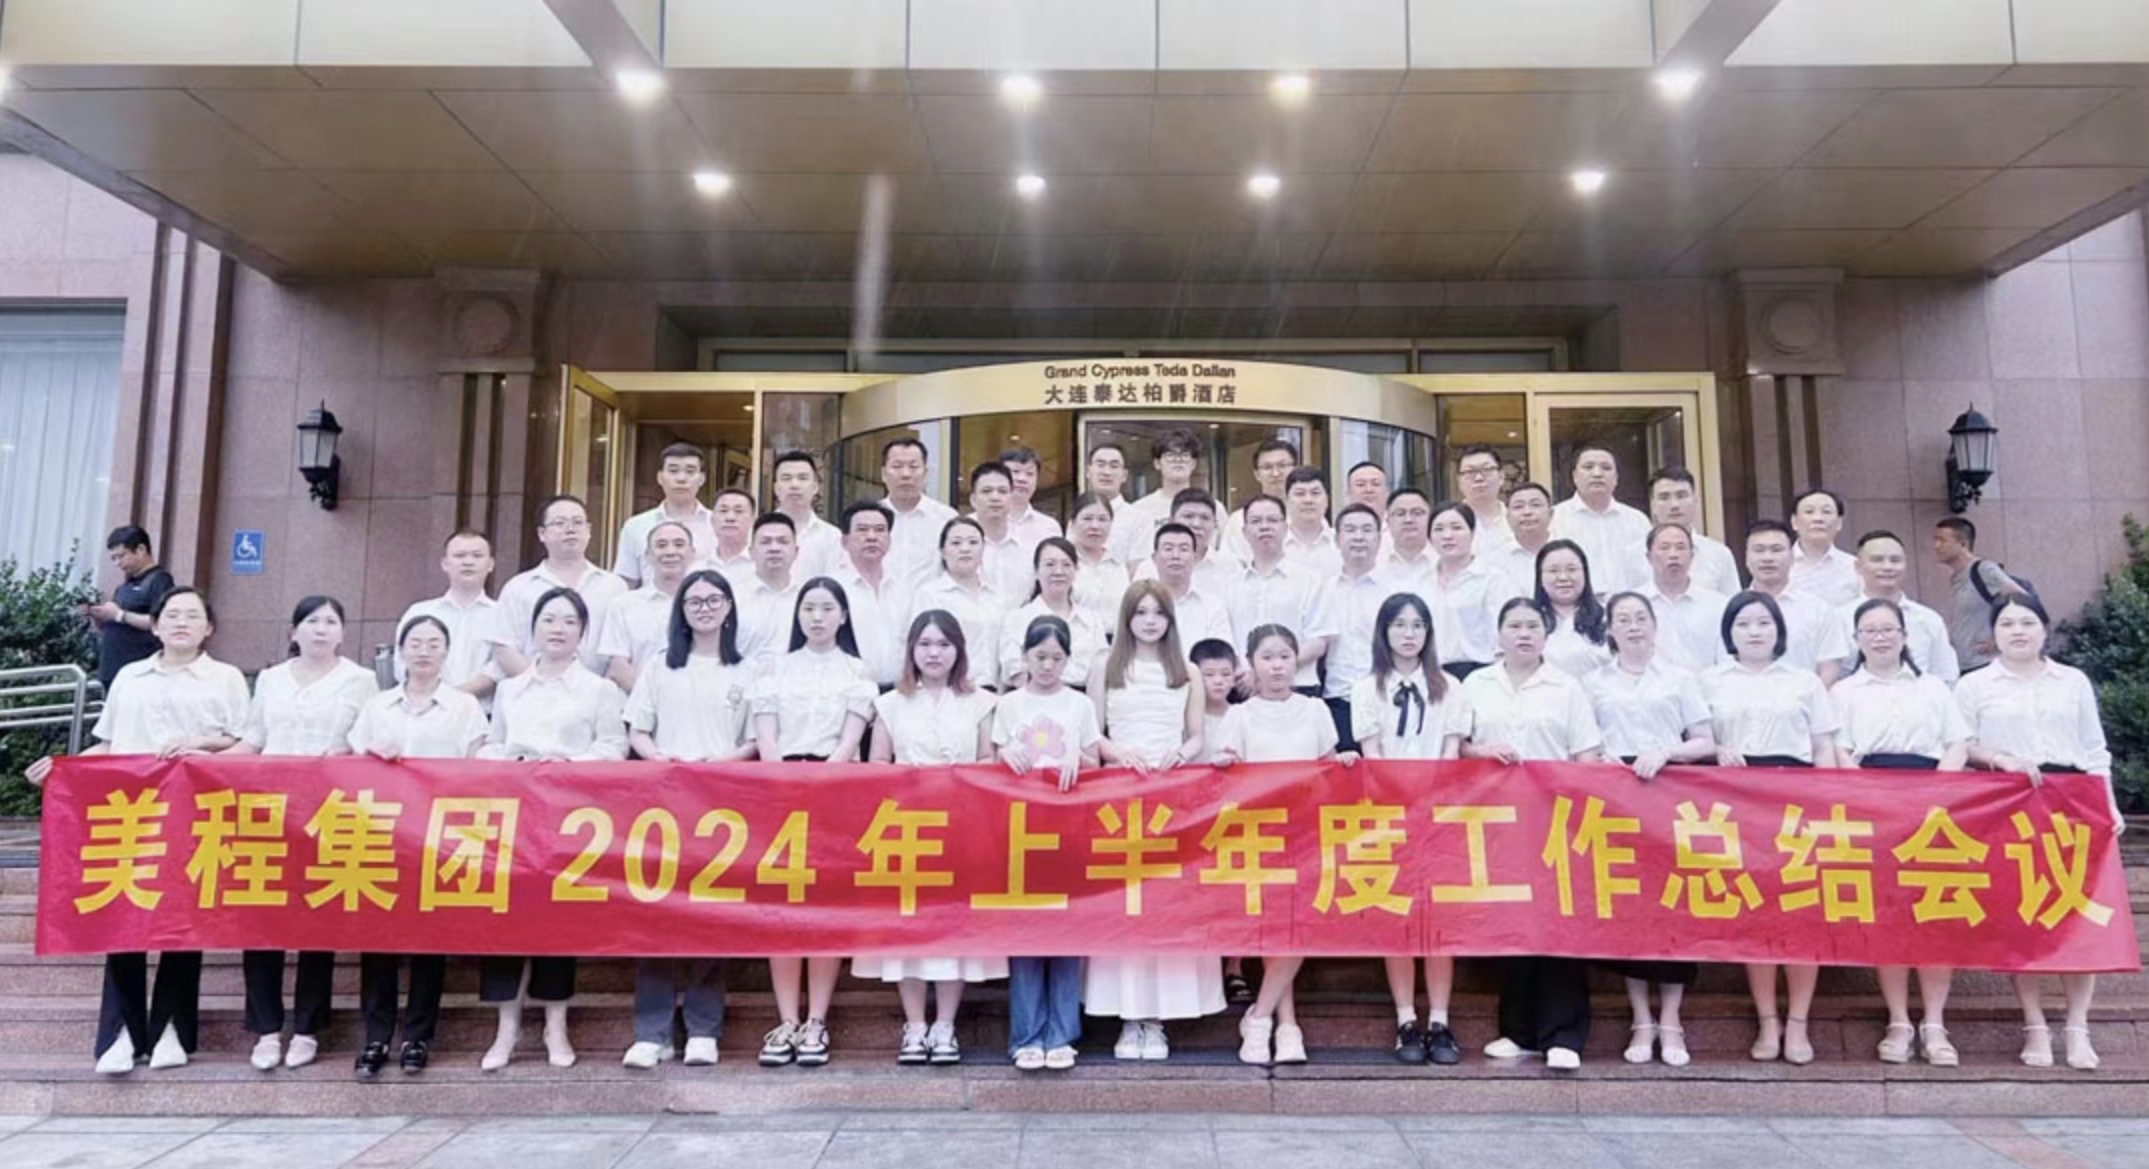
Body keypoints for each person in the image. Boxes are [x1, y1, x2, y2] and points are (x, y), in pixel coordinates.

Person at [27, 587, 245, 1075]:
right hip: (133, 813)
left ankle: (171, 1030)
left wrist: (200, 744)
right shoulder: (130, 677)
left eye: (193, 616)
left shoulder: (226, 678)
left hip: (194, 814)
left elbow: (244, 742)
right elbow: (109, 745)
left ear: (209, 628)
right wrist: (62, 768)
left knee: (181, 920)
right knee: (124, 914)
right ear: (157, 625)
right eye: (172, 615)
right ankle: (120, 1032)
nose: (182, 622)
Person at [1955, 594, 2123, 1071]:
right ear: (1993, 635)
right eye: (2007, 624)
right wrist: (1999, 759)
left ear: (2045, 630)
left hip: (2073, 798)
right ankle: (2034, 1024)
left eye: (2027, 622)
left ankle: (2077, 1026)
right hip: (2009, 801)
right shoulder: (1974, 685)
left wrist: (2108, 805)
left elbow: (2094, 749)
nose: (2018, 631)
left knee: (2078, 913)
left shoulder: (2072, 682)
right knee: (2022, 914)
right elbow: (1962, 743)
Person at [222, 594, 380, 1073]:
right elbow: (253, 740)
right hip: (269, 811)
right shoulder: (271, 679)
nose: (320, 629)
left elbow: (365, 743)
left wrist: (347, 757)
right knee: (262, 919)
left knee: (317, 919)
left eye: (330, 621)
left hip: (328, 811)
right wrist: (200, 762)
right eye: (311, 621)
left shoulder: (361, 680)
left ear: (342, 632)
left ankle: (308, 1028)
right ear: (294, 631)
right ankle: (267, 1029)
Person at [477, 586, 627, 1070]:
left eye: (568, 622)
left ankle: (555, 1026)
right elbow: (492, 744)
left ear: (583, 633)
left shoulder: (599, 691)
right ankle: (506, 1028)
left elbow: (613, 748)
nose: (558, 629)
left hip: (571, 819)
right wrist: (509, 761)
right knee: (505, 920)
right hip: (514, 819)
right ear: (534, 628)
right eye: (549, 620)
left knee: (557, 922)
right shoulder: (510, 689)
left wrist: (569, 764)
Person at [1461, 597, 1606, 1070]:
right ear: (1499, 634)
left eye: (1532, 626)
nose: (1523, 634)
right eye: (1514, 626)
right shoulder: (1477, 684)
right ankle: (1517, 1030)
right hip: (1495, 820)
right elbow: (1457, 746)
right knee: (1512, 922)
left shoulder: (1566, 687)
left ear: (1546, 635)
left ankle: (1563, 1034)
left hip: (1553, 818)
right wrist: (1483, 751)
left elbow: (1586, 756)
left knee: (1558, 922)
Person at [621, 570, 757, 1071]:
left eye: (714, 600)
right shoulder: (660, 666)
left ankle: (703, 1028)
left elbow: (754, 739)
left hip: (723, 807)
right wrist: (660, 758)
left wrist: (721, 763)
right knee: (655, 914)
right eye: (694, 601)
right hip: (664, 804)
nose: (704, 608)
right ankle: (651, 1032)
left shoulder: (747, 670)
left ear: (729, 607)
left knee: (710, 917)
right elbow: (638, 730)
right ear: (680, 609)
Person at [1829, 596, 1970, 1068]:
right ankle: (1898, 1020)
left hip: (1932, 807)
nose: (1880, 637)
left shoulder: (1933, 689)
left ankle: (1935, 1022)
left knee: (1934, 913)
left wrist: (1936, 794)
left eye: (1888, 629)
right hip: (1872, 806)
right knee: (1888, 916)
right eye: (1869, 630)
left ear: (1905, 636)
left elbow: (1957, 743)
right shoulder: (1843, 692)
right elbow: (1840, 751)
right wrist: (1873, 799)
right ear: (1857, 640)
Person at [346, 614, 489, 1079]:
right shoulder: (377, 706)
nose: (424, 651)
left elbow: (478, 765)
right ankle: (376, 1036)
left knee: (430, 939)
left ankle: (418, 1036)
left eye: (433, 643)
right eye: (415, 643)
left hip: (438, 837)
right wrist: (373, 752)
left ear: (446, 652)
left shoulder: (464, 706)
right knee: (377, 939)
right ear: (400, 651)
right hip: (382, 835)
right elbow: (353, 761)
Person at [1704, 590, 1841, 1067]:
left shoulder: (1804, 682)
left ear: (1779, 630)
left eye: (1764, 622)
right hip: (1736, 803)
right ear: (1729, 632)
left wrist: (1825, 804)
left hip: (1796, 801)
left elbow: (1823, 748)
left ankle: (1799, 1021)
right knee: (1756, 912)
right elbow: (1698, 741)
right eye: (1743, 624)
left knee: (1802, 912)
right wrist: (1716, 751)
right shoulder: (1710, 681)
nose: (1754, 631)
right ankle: (1767, 1020)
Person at [863, 611, 1006, 1065]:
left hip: (962, 826)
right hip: (907, 828)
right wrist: (911, 778)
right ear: (911, 651)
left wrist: (955, 776)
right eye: (925, 644)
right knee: (907, 928)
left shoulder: (981, 702)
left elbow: (989, 760)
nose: (934, 653)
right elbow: (877, 763)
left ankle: (945, 1024)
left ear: (958, 650)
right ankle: (914, 1025)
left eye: (944, 644)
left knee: (953, 926)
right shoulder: (891, 703)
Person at [1083, 583, 1217, 1059]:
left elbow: (1197, 735)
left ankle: (1157, 1019)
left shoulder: (1188, 670)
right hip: (1118, 795)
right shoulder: (1105, 665)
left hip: (1171, 795)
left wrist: (1181, 754)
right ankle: (1127, 1016)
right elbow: (1091, 732)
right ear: (1126, 618)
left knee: (1166, 902)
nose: (1149, 621)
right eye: (1140, 613)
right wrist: (1119, 752)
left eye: (1158, 613)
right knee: (1123, 904)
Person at [1583, 592, 1717, 1068]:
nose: (1633, 626)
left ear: (1655, 626)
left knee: (1675, 906)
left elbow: (1705, 741)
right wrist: (1599, 757)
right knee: (1630, 908)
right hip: (1617, 798)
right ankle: (1641, 1017)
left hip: (1672, 796)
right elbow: (1583, 738)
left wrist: (1667, 752)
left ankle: (1672, 1019)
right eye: (1623, 619)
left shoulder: (1679, 678)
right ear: (1610, 629)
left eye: (1641, 618)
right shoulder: (1593, 682)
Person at [751, 577, 879, 1067]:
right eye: (809, 608)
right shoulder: (775, 668)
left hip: (834, 791)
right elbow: (766, 738)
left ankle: (817, 1021)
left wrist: (820, 783)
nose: (818, 617)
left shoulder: (856, 670)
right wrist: (784, 783)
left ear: (843, 615)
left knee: (825, 906)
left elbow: (849, 741)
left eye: (827, 608)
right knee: (782, 909)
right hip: (779, 791)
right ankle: (786, 1019)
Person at [1351, 592, 1470, 1066]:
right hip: (1387, 815)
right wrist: (1401, 804)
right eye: (1399, 625)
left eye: (1418, 625)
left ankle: (1440, 1020)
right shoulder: (1367, 689)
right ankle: (1405, 1019)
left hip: (1438, 815)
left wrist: (1430, 803)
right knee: (1397, 917)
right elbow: (1373, 755)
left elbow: (1451, 752)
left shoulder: (1450, 687)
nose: (1409, 634)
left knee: (1438, 920)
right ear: (1384, 632)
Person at [1224, 624, 1346, 1067]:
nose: (1276, 666)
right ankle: (1286, 1025)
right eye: (1267, 657)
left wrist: (1343, 762)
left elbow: (1328, 767)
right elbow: (1230, 774)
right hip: (1260, 834)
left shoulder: (1315, 709)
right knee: (1275, 930)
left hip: (1308, 832)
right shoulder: (1239, 716)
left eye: (1284, 657)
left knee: (1302, 927)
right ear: (1251, 664)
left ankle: (1260, 1017)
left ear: (1298, 661)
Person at [995, 615, 1105, 1070]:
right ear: (1024, 656)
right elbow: (991, 758)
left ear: (1068, 660)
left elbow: (1096, 759)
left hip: (1068, 828)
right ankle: (1025, 1036)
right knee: (1024, 934)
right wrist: (1005, 754)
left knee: (1066, 930)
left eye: (1056, 658)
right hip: (1019, 831)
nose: (1047, 666)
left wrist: (1078, 758)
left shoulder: (1079, 705)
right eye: (1039, 657)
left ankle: (1061, 1034)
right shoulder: (1008, 705)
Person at [487, 494, 628, 677]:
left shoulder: (614, 587)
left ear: (589, 530)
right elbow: (504, 648)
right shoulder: (519, 587)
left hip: (598, 691)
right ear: (541, 534)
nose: (570, 529)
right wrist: (539, 684)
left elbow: (621, 652)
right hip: (533, 690)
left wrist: (595, 689)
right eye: (559, 523)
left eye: (578, 522)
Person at [1817, 530, 1960, 686]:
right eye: (1877, 560)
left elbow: (1946, 676)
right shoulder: (1838, 619)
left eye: (1895, 560)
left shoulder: (1929, 619)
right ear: (1858, 566)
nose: (1887, 567)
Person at [1227, 494, 1336, 695]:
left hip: (1298, 686)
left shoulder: (1310, 580)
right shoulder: (1231, 585)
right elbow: (1226, 639)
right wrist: (1244, 673)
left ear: (1285, 528)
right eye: (1256, 521)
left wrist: (1266, 672)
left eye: (1272, 520)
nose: (1264, 527)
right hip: (1243, 689)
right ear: (1244, 532)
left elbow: (1319, 641)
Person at [394, 529, 501, 699]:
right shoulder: (420, 612)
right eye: (460, 555)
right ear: (445, 564)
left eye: (477, 556)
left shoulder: (502, 615)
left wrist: (454, 698)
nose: (468, 562)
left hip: (482, 710)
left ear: (490, 564)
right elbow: (402, 665)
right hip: (424, 707)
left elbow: (498, 669)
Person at [594, 520, 694, 694]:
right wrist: (652, 701)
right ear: (647, 555)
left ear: (692, 553)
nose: (670, 551)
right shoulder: (624, 605)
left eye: (679, 544)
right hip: (637, 705)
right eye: (661, 545)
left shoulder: (708, 605)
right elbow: (618, 666)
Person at [909, 516, 1009, 690]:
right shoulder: (930, 595)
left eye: (973, 542)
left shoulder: (998, 596)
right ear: (943, 551)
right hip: (950, 692)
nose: (965, 549)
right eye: (956, 543)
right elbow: (919, 647)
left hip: (996, 693)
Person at [1419, 501, 1515, 679]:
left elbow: (1505, 635)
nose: (1447, 535)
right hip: (1431, 675)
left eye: (1456, 528)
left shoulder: (1492, 580)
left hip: (1481, 673)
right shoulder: (1421, 582)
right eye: (1438, 529)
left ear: (1472, 532)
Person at [1321, 504, 1390, 750]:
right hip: (1338, 697)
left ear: (1380, 539)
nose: (1359, 537)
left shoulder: (1396, 589)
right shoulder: (1322, 591)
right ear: (1337, 539)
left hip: (1386, 698)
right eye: (1350, 530)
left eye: (1367, 530)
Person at [1001, 538, 1107, 690]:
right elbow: (1014, 672)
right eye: (1050, 564)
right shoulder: (1017, 619)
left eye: (1066, 565)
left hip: (1084, 698)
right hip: (1033, 696)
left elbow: (1101, 671)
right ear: (1036, 571)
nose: (1059, 571)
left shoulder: (1092, 620)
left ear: (1076, 571)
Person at [828, 500, 911, 691]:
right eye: (862, 530)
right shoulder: (833, 590)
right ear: (844, 541)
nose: (872, 537)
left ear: (889, 540)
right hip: (848, 692)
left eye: (880, 530)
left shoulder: (904, 589)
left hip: (898, 693)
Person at [614, 441, 719, 586]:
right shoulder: (635, 526)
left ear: (702, 479)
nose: (681, 479)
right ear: (660, 477)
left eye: (690, 471)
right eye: (673, 471)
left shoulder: (718, 525)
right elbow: (626, 582)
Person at [85, 525, 174, 692]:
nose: (118, 563)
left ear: (141, 549)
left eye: (121, 556)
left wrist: (119, 614)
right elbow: (110, 625)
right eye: (113, 558)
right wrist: (98, 615)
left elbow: (161, 622)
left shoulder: (159, 580)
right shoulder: (124, 586)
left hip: (140, 673)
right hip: (112, 671)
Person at [1550, 445, 1650, 593]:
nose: (1597, 474)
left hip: (1629, 604)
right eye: (1588, 467)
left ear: (1616, 478)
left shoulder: (1637, 521)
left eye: (1606, 468)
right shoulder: (1555, 519)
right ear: (1574, 476)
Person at [1932, 516, 2026, 671]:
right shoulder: (1956, 577)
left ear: (1963, 544)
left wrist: (2000, 638)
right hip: (1963, 665)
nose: (1936, 546)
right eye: (1935, 540)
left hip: (1985, 664)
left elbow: (2024, 600)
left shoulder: (1984, 570)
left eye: (1942, 540)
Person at [1639, 523, 1728, 672]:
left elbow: (1726, 659)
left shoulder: (1718, 605)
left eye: (1680, 547)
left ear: (1692, 556)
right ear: (1649, 557)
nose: (1673, 554)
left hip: (1705, 684)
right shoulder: (1634, 605)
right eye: (1664, 548)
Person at [1742, 519, 1829, 671]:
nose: (1767, 558)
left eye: (1776, 550)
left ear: (1792, 557)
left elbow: (1830, 667)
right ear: (1747, 558)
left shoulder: (1818, 609)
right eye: (1759, 550)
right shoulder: (1728, 609)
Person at [1109, 428, 1201, 565]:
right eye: (1170, 455)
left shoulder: (1214, 509)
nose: (1178, 460)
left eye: (1185, 455)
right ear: (1157, 463)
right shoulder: (1139, 510)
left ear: (1193, 464)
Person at [1647, 467, 1739, 594]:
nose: (1674, 505)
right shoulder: (1632, 555)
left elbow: (1734, 603)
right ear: (1653, 505)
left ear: (1695, 500)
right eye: (1664, 497)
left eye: (1681, 496)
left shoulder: (1719, 555)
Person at [881, 436, 959, 585]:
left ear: (926, 473)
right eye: (897, 466)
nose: (906, 474)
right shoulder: (869, 519)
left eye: (913, 466)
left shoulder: (946, 518)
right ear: (884, 474)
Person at [1147, 522, 1233, 651]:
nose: (1176, 556)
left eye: (1184, 549)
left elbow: (1220, 654)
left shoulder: (1213, 606)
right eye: (1168, 549)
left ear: (1194, 557)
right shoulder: (1139, 604)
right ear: (1154, 558)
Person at [1534, 540, 1611, 678]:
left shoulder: (1609, 617)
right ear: (1540, 577)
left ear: (1585, 573)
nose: (1563, 577)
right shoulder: (1529, 620)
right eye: (1553, 571)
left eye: (1571, 569)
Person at [735, 512, 803, 666]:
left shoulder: (807, 599)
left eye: (783, 542)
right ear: (751, 552)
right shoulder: (732, 598)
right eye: (765, 542)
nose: (774, 548)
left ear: (796, 551)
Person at [1221, 438, 1300, 561]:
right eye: (1267, 467)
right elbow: (1228, 564)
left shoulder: (1307, 516)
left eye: (1282, 465)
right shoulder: (1238, 520)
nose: (1275, 473)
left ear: (1295, 469)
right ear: (1257, 474)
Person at [771, 449, 844, 580]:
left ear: (815, 487)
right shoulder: (755, 534)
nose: (794, 485)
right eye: (786, 478)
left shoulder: (832, 537)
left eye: (802, 478)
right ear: (776, 488)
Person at [970, 460, 1035, 601]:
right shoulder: (959, 543)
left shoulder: (1029, 545)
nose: (995, 497)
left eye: (1002, 491)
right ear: (973, 500)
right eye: (987, 491)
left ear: (1011, 498)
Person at [1067, 491, 1130, 629]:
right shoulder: (1064, 564)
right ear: (1072, 523)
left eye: (1102, 519)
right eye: (1087, 518)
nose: (1095, 526)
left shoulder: (1118, 565)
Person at [1788, 488, 1860, 607]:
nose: (1818, 518)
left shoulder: (1855, 568)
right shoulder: (1778, 565)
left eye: (1826, 512)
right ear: (1794, 521)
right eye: (1809, 512)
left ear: (1839, 523)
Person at [1485, 481, 1554, 586]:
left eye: (1535, 505)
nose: (1527, 512)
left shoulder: (1570, 553)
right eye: (1518, 506)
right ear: (1507, 517)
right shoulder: (1493, 559)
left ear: (1551, 513)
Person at [1000, 446, 1064, 556]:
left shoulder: (1049, 527)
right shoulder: (978, 523)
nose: (1022, 479)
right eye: (1015, 471)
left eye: (1029, 474)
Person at [1280, 467, 1341, 577]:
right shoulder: (1274, 543)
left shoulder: (1342, 542)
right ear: (1287, 500)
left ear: (1327, 499)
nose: (1308, 500)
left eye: (1315, 493)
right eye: (1300, 494)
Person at [1455, 444, 1511, 556]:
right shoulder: (1448, 523)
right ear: (1459, 481)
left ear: (1501, 477)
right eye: (1470, 472)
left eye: (1487, 470)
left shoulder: (1516, 520)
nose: (1479, 478)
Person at [1381, 487, 1436, 586]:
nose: (1408, 520)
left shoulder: (1444, 559)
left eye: (1417, 513)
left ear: (1431, 518)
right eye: (1400, 514)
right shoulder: (1375, 562)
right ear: (1388, 522)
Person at [706, 487, 758, 579]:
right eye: (723, 511)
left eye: (739, 511)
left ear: (752, 520)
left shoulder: (761, 566)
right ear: (712, 519)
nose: (730, 518)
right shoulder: (699, 567)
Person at [1085, 441, 1130, 511]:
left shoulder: (1139, 517)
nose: (1107, 472)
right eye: (1100, 465)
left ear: (1124, 475)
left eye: (1114, 466)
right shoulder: (1078, 515)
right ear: (1088, 472)